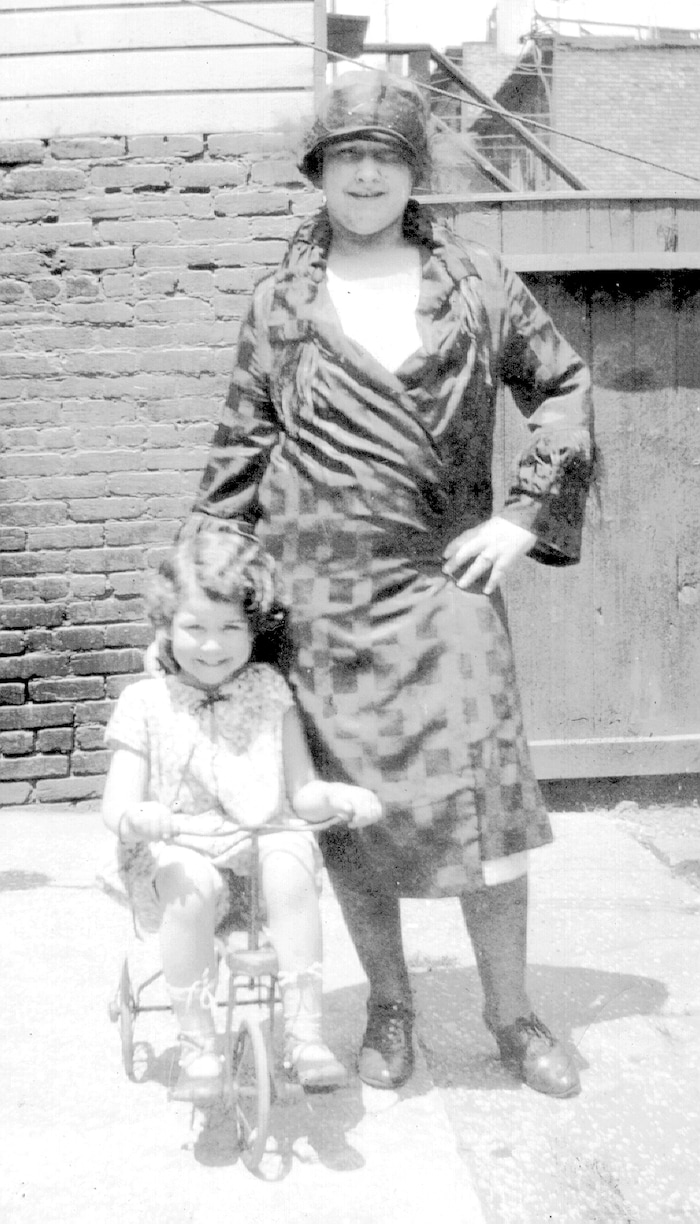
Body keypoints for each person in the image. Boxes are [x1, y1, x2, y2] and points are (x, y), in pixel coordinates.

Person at [190, 70, 594, 1098]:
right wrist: (202, 592)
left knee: (487, 814)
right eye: (345, 156)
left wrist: (523, 512)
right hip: (320, 604)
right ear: (318, 172)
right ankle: (390, 1007)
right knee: (351, 823)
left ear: (414, 172)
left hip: (443, 584)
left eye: (386, 155)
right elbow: (239, 451)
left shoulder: (479, 282)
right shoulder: (278, 303)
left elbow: (559, 391)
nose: (364, 173)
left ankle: (513, 1017)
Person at [101, 519, 382, 1103]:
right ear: (165, 627)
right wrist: (138, 818)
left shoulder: (269, 690)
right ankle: (200, 1045)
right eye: (194, 627)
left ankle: (305, 1036)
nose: (212, 644)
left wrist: (339, 797)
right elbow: (118, 804)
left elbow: (302, 790)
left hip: (255, 858)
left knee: (292, 848)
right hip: (176, 853)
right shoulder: (144, 702)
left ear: (253, 629)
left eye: (231, 627)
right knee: (189, 881)